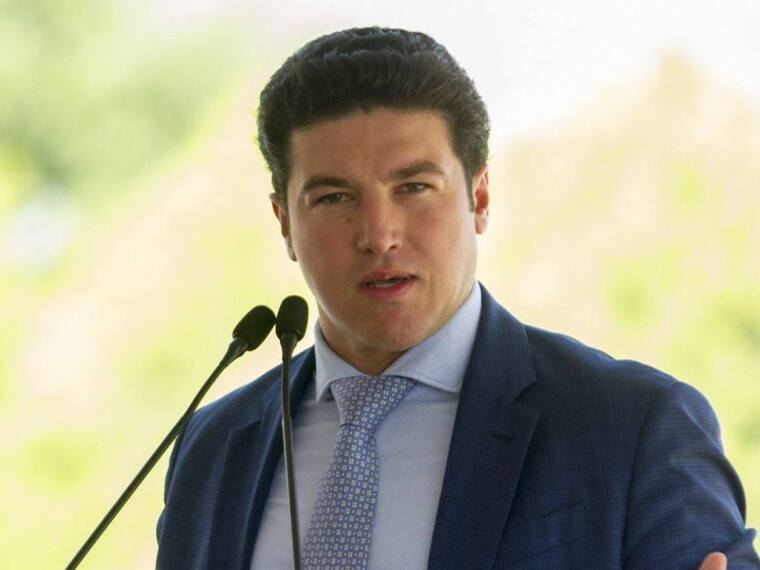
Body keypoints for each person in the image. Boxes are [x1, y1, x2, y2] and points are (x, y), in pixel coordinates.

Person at [155, 27, 758, 569]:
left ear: (480, 198)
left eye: (414, 187)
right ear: (285, 223)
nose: (379, 235)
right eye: (334, 198)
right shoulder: (211, 448)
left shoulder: (633, 429)